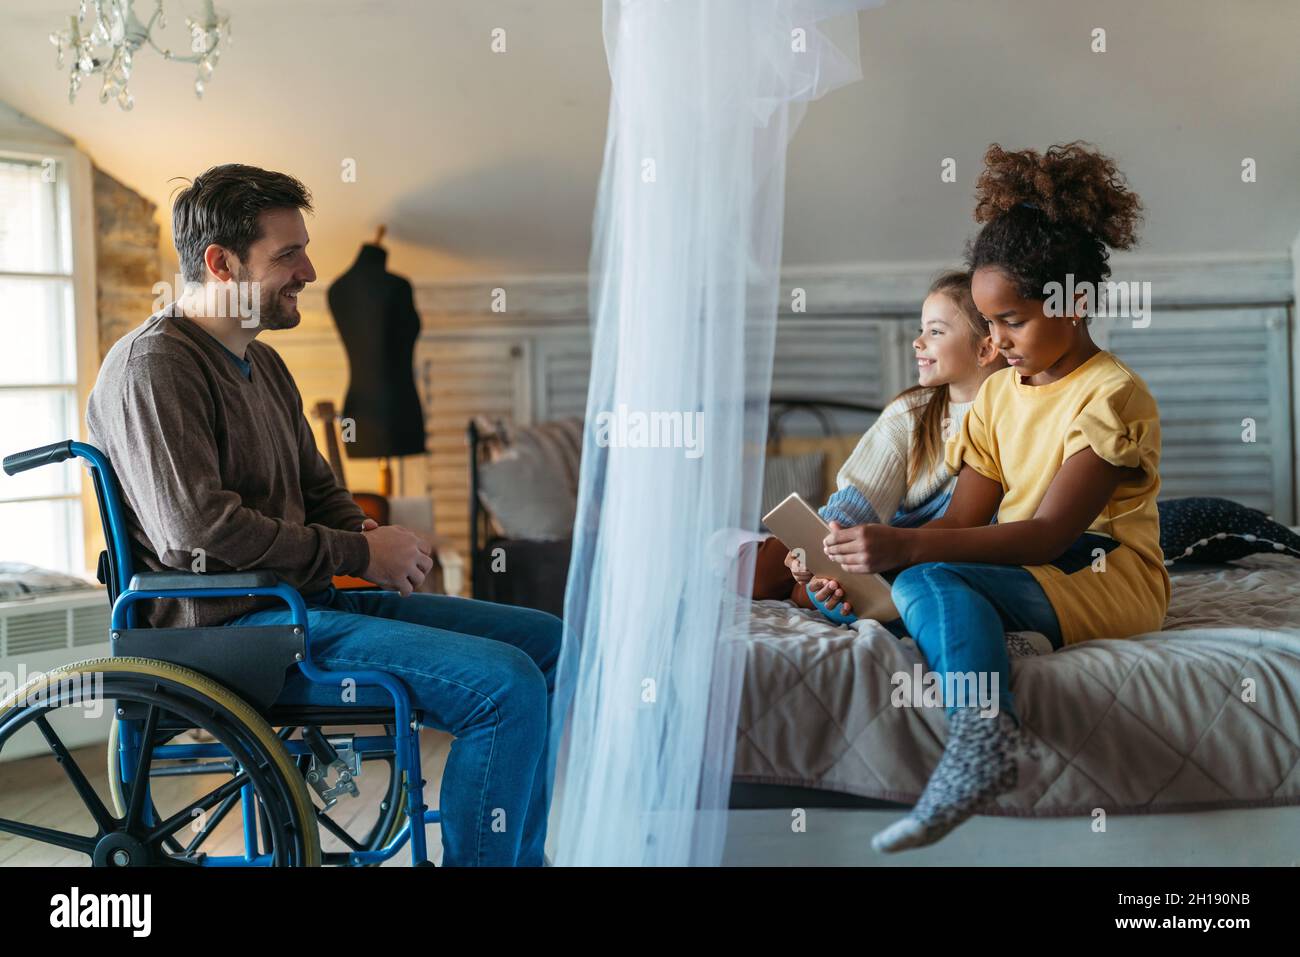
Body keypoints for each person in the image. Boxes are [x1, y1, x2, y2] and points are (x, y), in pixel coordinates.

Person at [86, 164, 559, 867]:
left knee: (549, 643)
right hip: (227, 628)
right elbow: (199, 533)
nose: (309, 269)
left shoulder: (266, 365)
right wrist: (360, 557)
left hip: (298, 604)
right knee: (505, 686)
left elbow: (318, 489)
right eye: (287, 254)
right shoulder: (155, 367)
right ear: (222, 263)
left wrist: (369, 534)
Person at [820, 142, 1169, 852]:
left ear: (1075, 302)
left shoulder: (1112, 394)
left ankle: (982, 739)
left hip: (1103, 572)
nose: (999, 341)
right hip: (1034, 569)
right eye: (990, 322)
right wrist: (869, 581)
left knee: (927, 571)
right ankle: (991, 654)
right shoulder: (1000, 397)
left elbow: (1045, 534)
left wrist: (906, 548)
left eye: (1013, 319)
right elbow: (959, 525)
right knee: (919, 581)